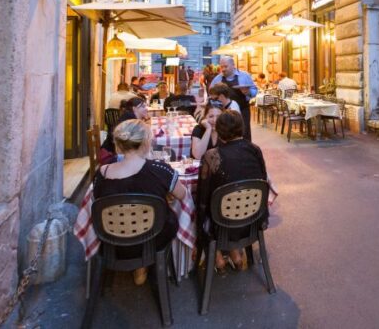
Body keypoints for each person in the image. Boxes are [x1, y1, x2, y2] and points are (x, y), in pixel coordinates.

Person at [93, 118, 188, 285]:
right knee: (169, 214)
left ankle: (137, 268)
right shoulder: (160, 170)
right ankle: (145, 266)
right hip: (154, 238)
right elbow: (183, 195)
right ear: (146, 143)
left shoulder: (102, 173)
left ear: (119, 144)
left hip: (111, 239)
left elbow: (98, 198)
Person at [197, 111, 268, 271]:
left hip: (222, 222)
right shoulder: (254, 149)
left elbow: (203, 196)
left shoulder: (212, 155)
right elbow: (262, 179)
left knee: (210, 204)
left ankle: (217, 255)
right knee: (231, 198)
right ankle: (235, 252)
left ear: (219, 130)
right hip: (252, 217)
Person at [210, 56, 257, 141]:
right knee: (226, 133)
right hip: (224, 112)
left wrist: (248, 92)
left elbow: (254, 91)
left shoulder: (244, 76)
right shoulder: (218, 79)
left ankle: (245, 152)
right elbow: (211, 93)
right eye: (221, 67)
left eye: (225, 66)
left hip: (243, 110)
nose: (223, 69)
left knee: (244, 133)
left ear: (233, 65)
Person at [99, 97, 149, 164]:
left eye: (146, 106)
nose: (146, 109)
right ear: (134, 108)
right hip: (110, 156)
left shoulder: (130, 117)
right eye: (143, 106)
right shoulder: (129, 121)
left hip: (115, 152)